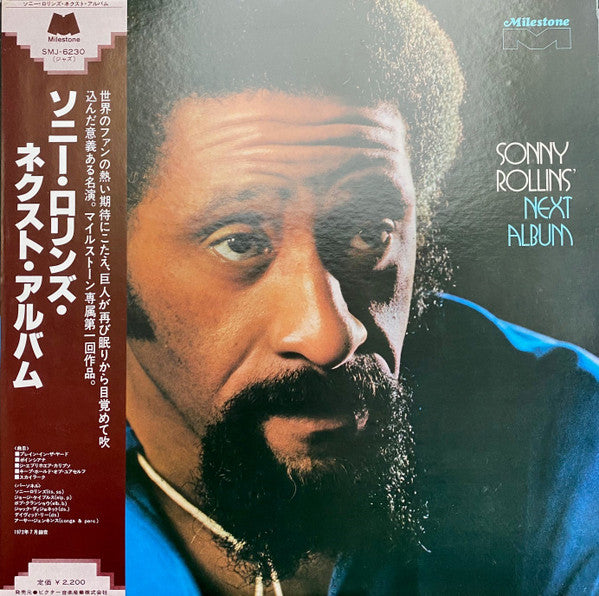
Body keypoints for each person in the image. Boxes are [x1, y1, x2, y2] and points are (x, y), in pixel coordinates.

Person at [125, 1, 599, 594]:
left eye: (368, 234)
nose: (331, 336)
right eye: (240, 243)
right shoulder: (37, 467)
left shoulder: (568, 438)